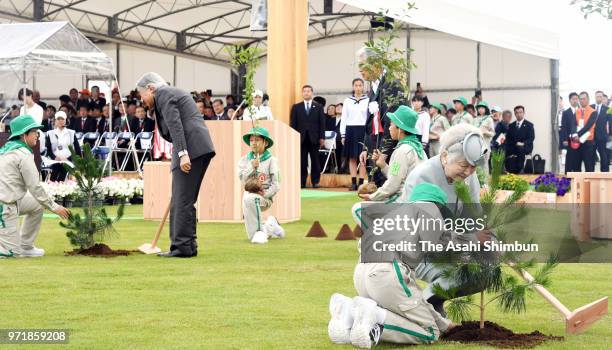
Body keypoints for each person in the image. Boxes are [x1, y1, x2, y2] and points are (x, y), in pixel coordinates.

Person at [330, 184, 463, 348]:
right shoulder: (431, 211)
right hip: (388, 274)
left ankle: (348, 314)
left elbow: (357, 208)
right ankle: (376, 318)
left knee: (409, 309)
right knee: (430, 332)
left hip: (362, 272)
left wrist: (445, 324)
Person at [402, 124, 489, 316]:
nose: (468, 172)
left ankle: (433, 306)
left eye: (473, 167)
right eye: (463, 166)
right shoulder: (422, 177)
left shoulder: (468, 177)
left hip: (448, 245)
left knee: (481, 275)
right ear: (444, 156)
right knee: (457, 276)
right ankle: (416, 310)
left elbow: (473, 214)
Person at [136, 72, 216, 258]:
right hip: (199, 147)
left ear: (151, 88)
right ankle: (187, 245)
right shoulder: (169, 94)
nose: (142, 100)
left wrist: (182, 153)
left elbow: (175, 124)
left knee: (181, 200)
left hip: (190, 148)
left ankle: (181, 247)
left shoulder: (163, 93)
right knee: (185, 200)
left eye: (142, 95)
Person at [0, 115, 70, 258]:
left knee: (37, 204)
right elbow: (35, 187)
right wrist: (55, 207)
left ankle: (26, 246)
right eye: (34, 132)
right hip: (5, 206)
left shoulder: (7, 149)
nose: (37, 135)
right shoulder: (23, 154)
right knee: (11, 254)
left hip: (10, 201)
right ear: (23, 135)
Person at [357, 47, 407, 188]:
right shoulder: (373, 87)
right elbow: (371, 123)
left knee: (391, 191)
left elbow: (394, 124)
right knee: (377, 193)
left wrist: (384, 154)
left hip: (390, 154)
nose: (360, 70)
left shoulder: (392, 85)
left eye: (363, 65)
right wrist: (366, 148)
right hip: (375, 151)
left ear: (376, 64)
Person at [354, 105, 424, 204]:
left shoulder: (402, 151)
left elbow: (393, 184)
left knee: (359, 209)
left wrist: (372, 197)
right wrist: (383, 164)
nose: (389, 128)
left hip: (404, 200)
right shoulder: (418, 148)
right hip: (415, 198)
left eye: (391, 125)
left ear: (400, 129)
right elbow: (397, 176)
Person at [237, 127, 284, 244]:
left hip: (265, 197)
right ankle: (270, 226)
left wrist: (266, 193)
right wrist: (251, 167)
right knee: (247, 197)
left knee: (249, 198)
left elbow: (276, 184)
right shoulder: (245, 160)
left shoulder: (272, 160)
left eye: (257, 140)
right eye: (251, 140)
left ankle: (259, 232)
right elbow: (242, 179)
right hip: (249, 195)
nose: (254, 143)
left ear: (265, 143)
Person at [290, 85, 326, 188]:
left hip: (314, 138)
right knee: (302, 161)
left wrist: (322, 137)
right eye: (304, 91)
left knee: (315, 161)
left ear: (312, 93)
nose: (306, 93)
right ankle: (302, 182)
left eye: (308, 91)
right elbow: (293, 124)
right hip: (301, 139)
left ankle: (315, 182)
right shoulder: (296, 107)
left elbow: (322, 123)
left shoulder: (318, 107)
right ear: (302, 93)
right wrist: (294, 137)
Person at [339, 79, 369, 191]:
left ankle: (361, 182)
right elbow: (344, 118)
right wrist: (343, 134)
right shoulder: (347, 100)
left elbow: (369, 118)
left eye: (360, 85)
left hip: (363, 130)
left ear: (363, 87)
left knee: (363, 158)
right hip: (350, 130)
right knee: (352, 157)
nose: (358, 87)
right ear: (353, 87)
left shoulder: (368, 100)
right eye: (356, 85)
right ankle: (353, 182)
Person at [45, 111, 81, 181]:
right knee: (54, 172)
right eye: (58, 119)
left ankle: (61, 188)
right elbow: (48, 150)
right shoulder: (50, 133)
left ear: (66, 120)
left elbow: (77, 150)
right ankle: (53, 188)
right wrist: (54, 157)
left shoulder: (71, 133)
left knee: (63, 171)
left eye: (62, 119)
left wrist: (69, 158)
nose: (60, 121)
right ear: (55, 121)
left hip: (68, 160)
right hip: (55, 160)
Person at [504, 105, 535, 174]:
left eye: (520, 112)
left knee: (520, 148)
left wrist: (523, 143)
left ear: (524, 113)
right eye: (517, 113)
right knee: (503, 148)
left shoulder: (529, 125)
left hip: (525, 146)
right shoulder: (511, 125)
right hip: (514, 146)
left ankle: (520, 169)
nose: (519, 114)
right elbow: (508, 138)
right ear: (515, 114)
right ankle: (506, 169)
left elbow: (531, 138)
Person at [472, 101, 495, 173]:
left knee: (484, 164)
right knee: (476, 165)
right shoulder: (475, 119)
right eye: (479, 108)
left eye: (482, 108)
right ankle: (478, 182)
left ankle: (485, 183)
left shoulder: (489, 119)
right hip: (475, 145)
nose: (480, 109)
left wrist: (485, 132)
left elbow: (493, 133)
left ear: (486, 109)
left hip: (485, 145)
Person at [592, 90, 610, 172]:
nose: (599, 97)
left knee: (604, 156)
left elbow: (611, 123)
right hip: (591, 136)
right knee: (590, 156)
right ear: (595, 97)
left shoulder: (607, 109)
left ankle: (604, 173)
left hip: (602, 136)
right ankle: (590, 173)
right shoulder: (590, 107)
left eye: (600, 96)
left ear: (603, 97)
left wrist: (610, 135)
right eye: (597, 96)